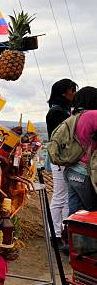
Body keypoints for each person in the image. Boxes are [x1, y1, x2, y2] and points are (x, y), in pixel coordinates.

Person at [45, 79, 77, 248]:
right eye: (72, 90)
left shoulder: (59, 111)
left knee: (64, 198)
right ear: (64, 93)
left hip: (62, 160)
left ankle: (62, 231)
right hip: (61, 159)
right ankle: (55, 233)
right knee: (60, 196)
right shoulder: (58, 113)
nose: (74, 94)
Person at [65, 86, 97, 214]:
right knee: (92, 214)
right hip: (85, 172)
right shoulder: (93, 115)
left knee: (74, 215)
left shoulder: (73, 116)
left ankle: (67, 234)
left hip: (71, 171)